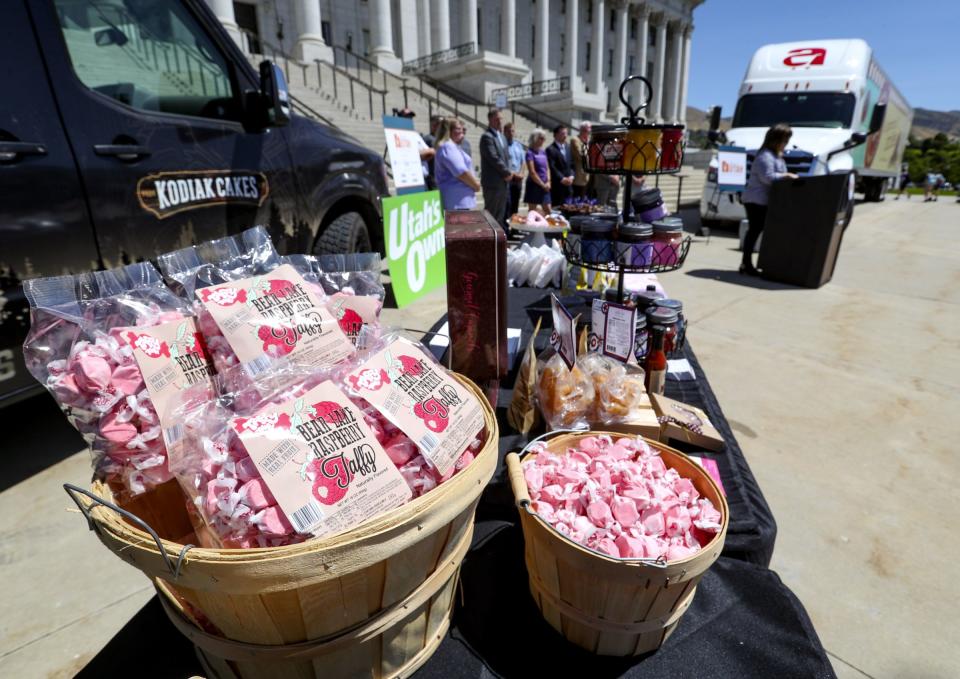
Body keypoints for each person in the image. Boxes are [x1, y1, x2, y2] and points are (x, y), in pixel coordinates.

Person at [740, 123, 798, 276]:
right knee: (755, 230)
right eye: (784, 140)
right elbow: (768, 177)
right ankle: (746, 263)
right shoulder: (765, 156)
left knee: (759, 230)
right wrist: (786, 176)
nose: (786, 144)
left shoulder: (776, 156)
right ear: (775, 139)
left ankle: (754, 263)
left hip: (767, 200)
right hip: (756, 200)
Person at [434, 117, 480, 210]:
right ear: (449, 130)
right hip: (457, 202)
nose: (462, 131)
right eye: (458, 129)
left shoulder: (452, 146)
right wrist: (476, 185)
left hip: (459, 201)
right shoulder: (448, 146)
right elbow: (461, 172)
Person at [479, 108, 514, 227]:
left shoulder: (502, 137)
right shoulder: (487, 137)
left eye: (501, 119)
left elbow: (506, 157)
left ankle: (496, 241)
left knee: (500, 215)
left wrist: (509, 172)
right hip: (493, 183)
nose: (500, 121)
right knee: (490, 215)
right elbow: (493, 157)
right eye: (497, 119)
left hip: (503, 183)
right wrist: (506, 173)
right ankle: (486, 241)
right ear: (490, 120)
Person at [546, 124, 575, 208]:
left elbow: (572, 164)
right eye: (563, 133)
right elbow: (552, 167)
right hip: (557, 187)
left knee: (569, 210)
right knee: (557, 211)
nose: (565, 136)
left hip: (569, 187)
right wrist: (562, 178)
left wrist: (572, 176)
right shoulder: (550, 149)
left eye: (566, 133)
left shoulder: (568, 147)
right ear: (555, 135)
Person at [524, 129, 552, 213]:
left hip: (545, 185)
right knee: (532, 211)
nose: (544, 140)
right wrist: (543, 185)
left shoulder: (543, 152)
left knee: (548, 210)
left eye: (544, 138)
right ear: (535, 138)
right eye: (541, 138)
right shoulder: (529, 153)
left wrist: (548, 182)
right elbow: (532, 172)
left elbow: (547, 168)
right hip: (534, 185)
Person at [504, 121, 526, 219]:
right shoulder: (502, 145)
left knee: (515, 204)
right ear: (504, 132)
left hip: (518, 179)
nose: (511, 133)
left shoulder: (518, 145)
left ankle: (514, 226)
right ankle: (505, 226)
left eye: (512, 131)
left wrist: (521, 173)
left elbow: (523, 162)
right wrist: (512, 173)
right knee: (507, 203)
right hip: (508, 178)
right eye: (508, 131)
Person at [569, 122, 592, 199]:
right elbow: (581, 155)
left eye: (589, 131)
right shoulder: (575, 140)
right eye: (586, 131)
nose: (588, 133)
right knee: (577, 198)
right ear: (581, 130)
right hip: (579, 175)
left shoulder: (589, 140)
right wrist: (586, 144)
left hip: (588, 175)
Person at [421, 114, 443, 190]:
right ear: (433, 125)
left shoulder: (444, 139)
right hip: (433, 177)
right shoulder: (427, 139)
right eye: (440, 124)